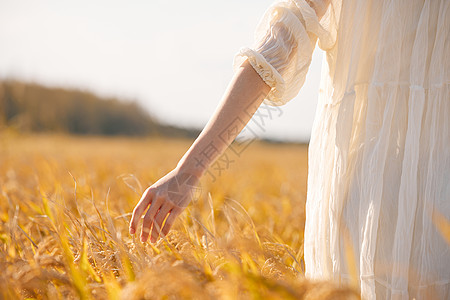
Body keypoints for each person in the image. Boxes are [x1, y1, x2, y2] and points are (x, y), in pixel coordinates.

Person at [129, 0, 450, 298]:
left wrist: (189, 171)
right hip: (386, 188)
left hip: (363, 184)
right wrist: (188, 171)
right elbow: (274, 51)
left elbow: (275, 49)